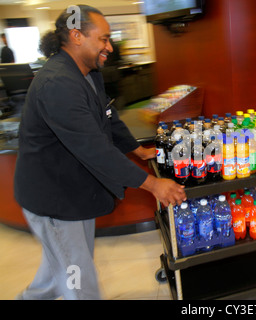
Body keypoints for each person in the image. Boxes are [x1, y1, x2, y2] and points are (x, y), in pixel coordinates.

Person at [13, 5, 186, 300]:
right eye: (104, 39)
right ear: (76, 35)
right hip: (53, 201)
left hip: (73, 193)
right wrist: (153, 185)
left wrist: (137, 150)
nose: (110, 46)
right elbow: (93, 149)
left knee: (62, 267)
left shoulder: (87, 72)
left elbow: (108, 116)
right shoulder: (58, 84)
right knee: (78, 278)